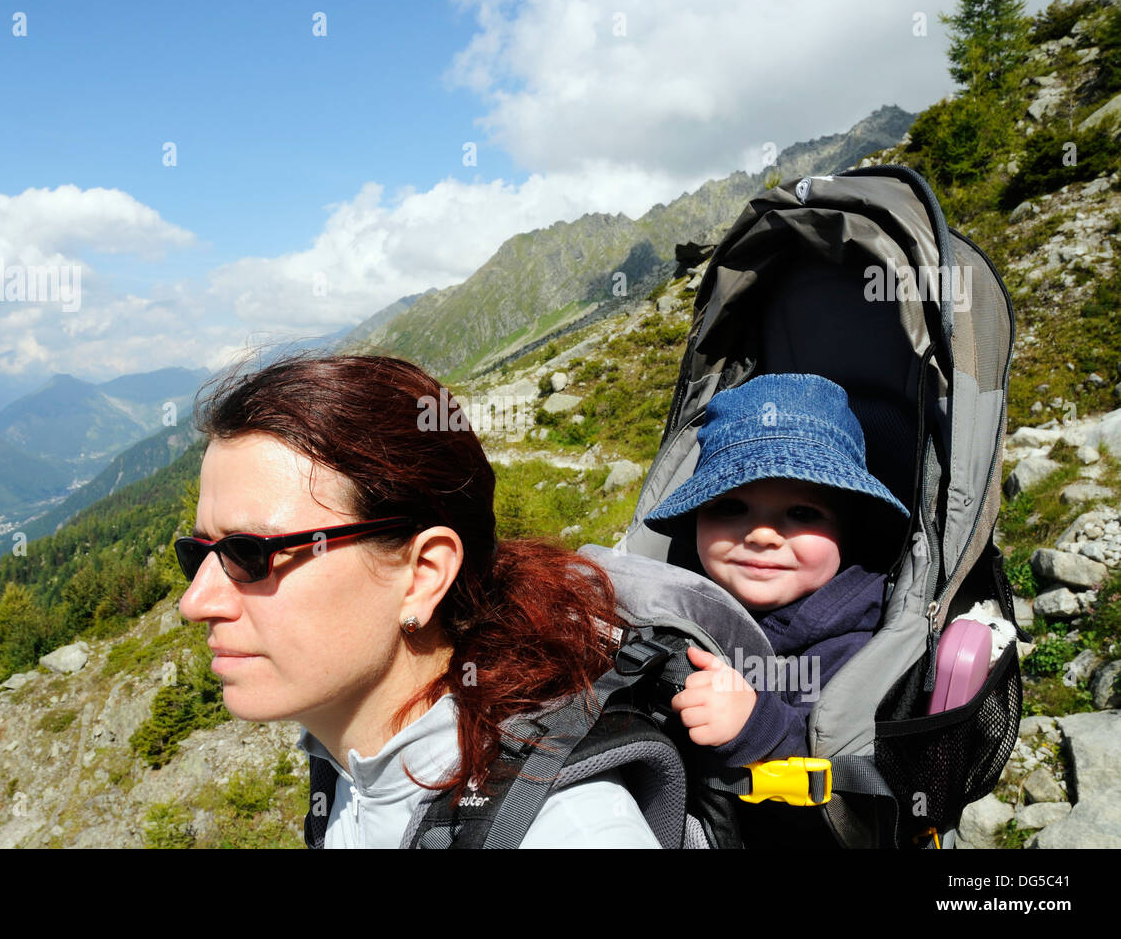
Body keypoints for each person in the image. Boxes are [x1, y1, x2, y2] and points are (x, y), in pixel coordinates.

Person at [175, 353, 660, 848]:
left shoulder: (567, 830)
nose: (196, 602)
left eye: (250, 553)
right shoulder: (348, 767)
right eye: (197, 554)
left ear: (423, 576)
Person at [641, 373, 911, 768]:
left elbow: (848, 769)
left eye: (802, 513)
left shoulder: (856, 648)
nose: (763, 535)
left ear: (848, 532)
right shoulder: (675, 597)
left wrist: (756, 729)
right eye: (732, 507)